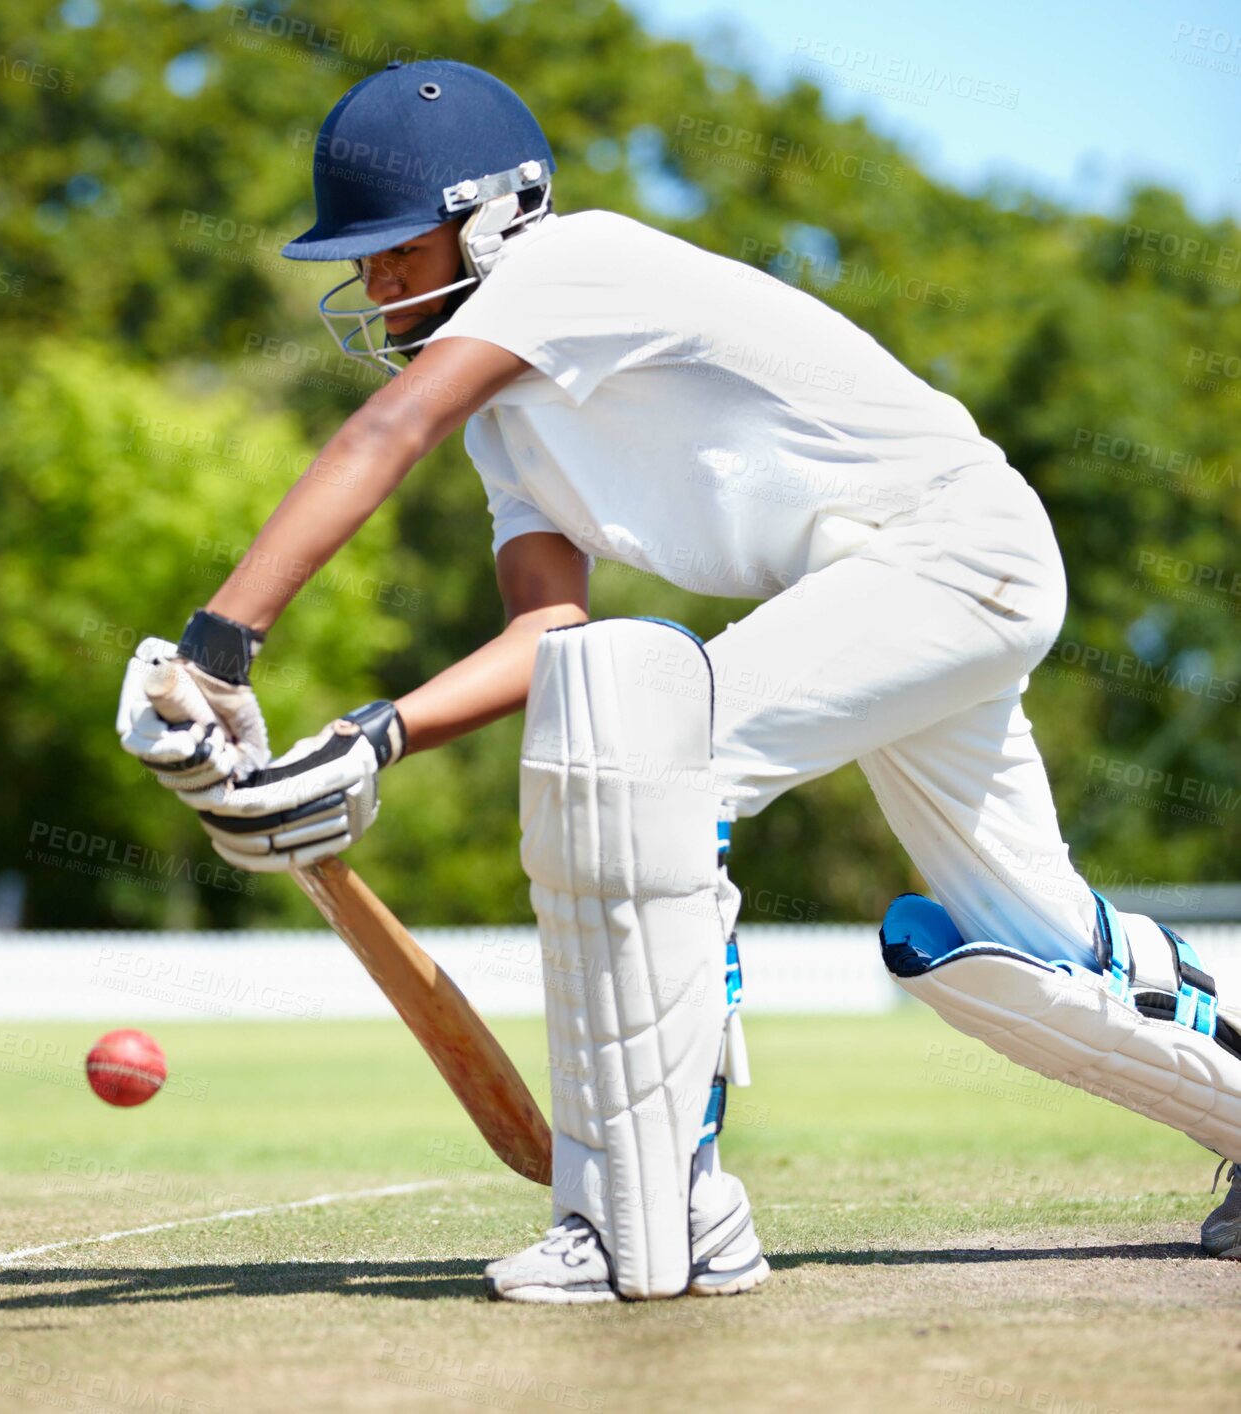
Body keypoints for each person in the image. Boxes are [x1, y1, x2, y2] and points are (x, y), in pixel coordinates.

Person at [117, 60, 1241, 1299]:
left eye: (398, 246)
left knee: (650, 772)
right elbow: (548, 634)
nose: (376, 281)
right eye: (363, 258)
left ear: (496, 215)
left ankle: (658, 1209)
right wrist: (371, 738)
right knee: (1025, 960)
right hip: (891, 582)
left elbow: (387, 435)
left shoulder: (569, 268)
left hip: (950, 548)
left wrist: (216, 649)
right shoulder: (510, 425)